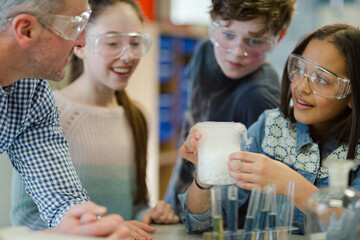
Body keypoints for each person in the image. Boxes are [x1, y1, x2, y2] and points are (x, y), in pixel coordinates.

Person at [10, 0, 179, 239]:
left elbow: (129, 203)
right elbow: (27, 216)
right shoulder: (49, 109)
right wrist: (98, 228)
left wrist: (145, 215)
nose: (128, 55)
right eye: (112, 43)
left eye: (136, 42)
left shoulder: (136, 116)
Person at [178, 23, 360, 234]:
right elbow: (200, 223)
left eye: (321, 79)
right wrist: (206, 174)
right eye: (299, 69)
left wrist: (290, 183)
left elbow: (353, 231)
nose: (301, 87)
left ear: (352, 95)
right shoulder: (270, 127)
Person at [0, 0, 130, 238]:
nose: (82, 41)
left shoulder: (31, 89)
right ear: (26, 30)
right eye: (75, 26)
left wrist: (84, 225)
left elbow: (62, 200)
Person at [165, 0, 296, 219]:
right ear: (212, 24)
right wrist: (171, 207)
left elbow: (245, 197)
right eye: (227, 35)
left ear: (278, 38)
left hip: (213, 220)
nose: (236, 52)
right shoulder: (204, 53)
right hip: (178, 208)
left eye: (254, 40)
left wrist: (193, 215)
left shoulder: (259, 96)